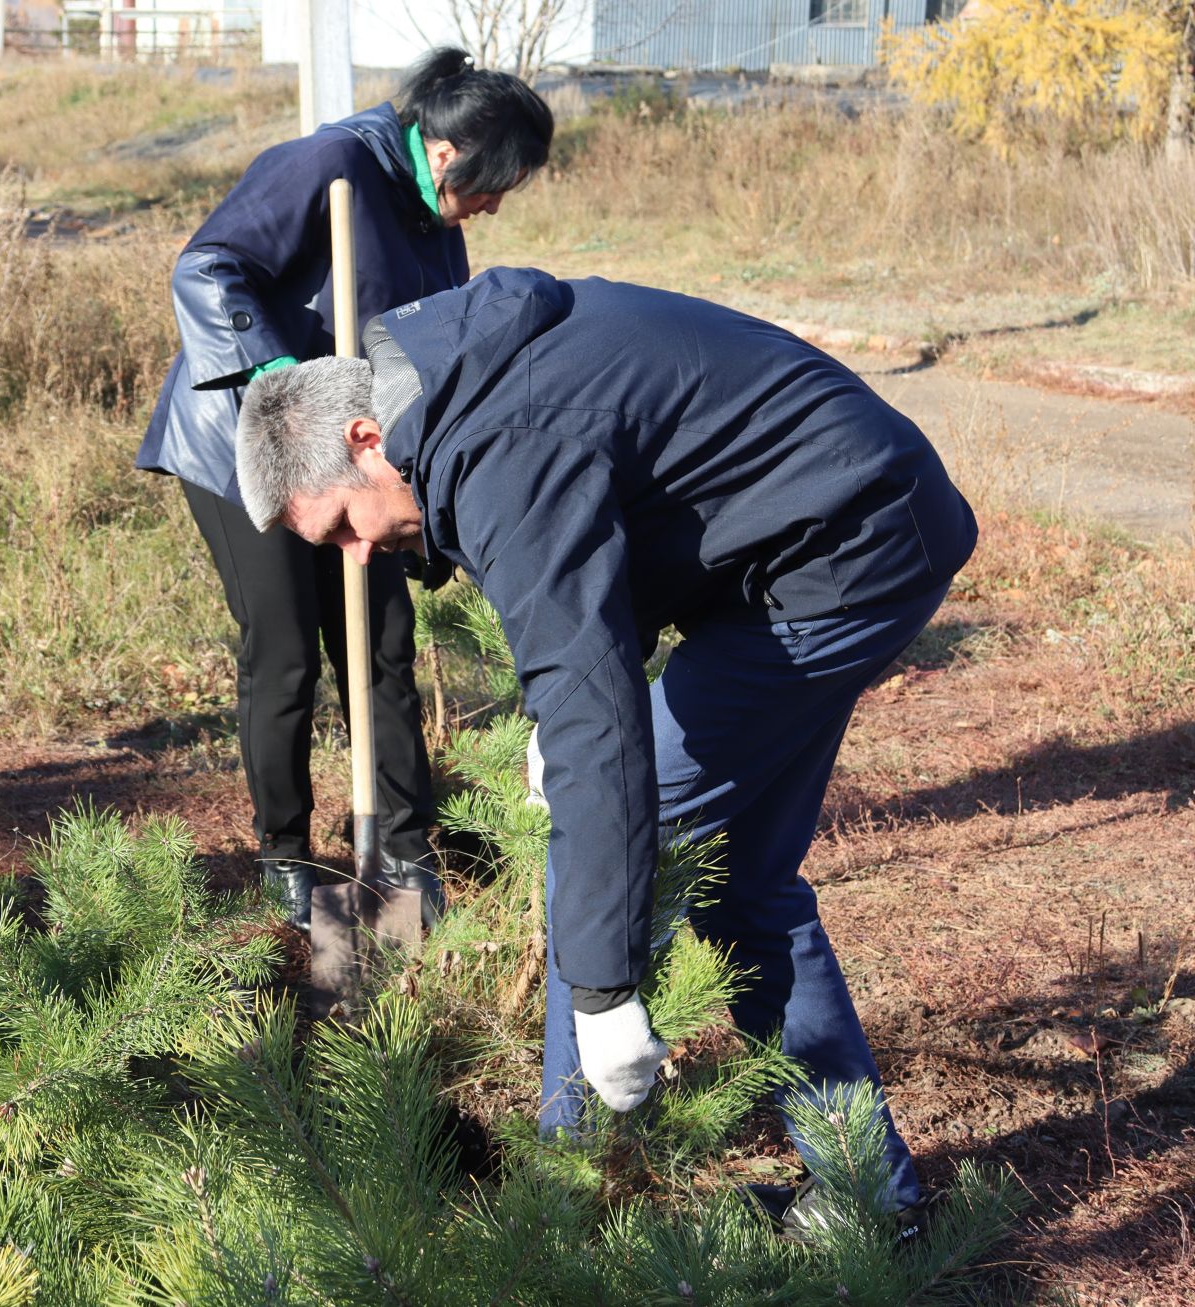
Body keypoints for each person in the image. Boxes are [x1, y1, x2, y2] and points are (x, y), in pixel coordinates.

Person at [232, 267, 976, 1238]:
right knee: (738, 886)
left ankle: (567, 1216)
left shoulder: (496, 444)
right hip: (844, 526)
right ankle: (871, 1199)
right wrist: (564, 712)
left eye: (341, 525)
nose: (359, 554)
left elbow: (602, 732)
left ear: (366, 440)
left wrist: (604, 993)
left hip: (846, 550)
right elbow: (617, 547)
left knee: (608, 832)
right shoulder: (453, 379)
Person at [136, 47, 554, 929]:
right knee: (286, 650)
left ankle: (402, 847)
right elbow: (206, 268)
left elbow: (432, 355)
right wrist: (286, 384)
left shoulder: (438, 220)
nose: (493, 205)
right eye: (493, 183)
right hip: (249, 438)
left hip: (353, 456)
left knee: (382, 645)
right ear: (447, 152)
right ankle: (284, 855)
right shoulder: (328, 165)